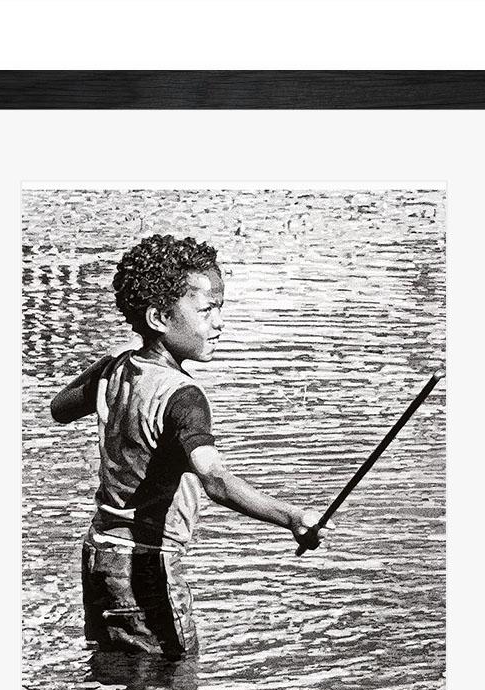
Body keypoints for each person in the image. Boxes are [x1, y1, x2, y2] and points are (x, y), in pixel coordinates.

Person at [51, 234, 331, 660]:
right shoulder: (184, 398)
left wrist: (107, 373)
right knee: (176, 679)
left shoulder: (114, 369)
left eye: (220, 308)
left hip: (99, 556)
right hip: (147, 567)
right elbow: (214, 480)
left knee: (117, 670)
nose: (219, 323)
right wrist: (292, 517)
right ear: (159, 317)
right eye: (206, 310)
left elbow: (60, 408)